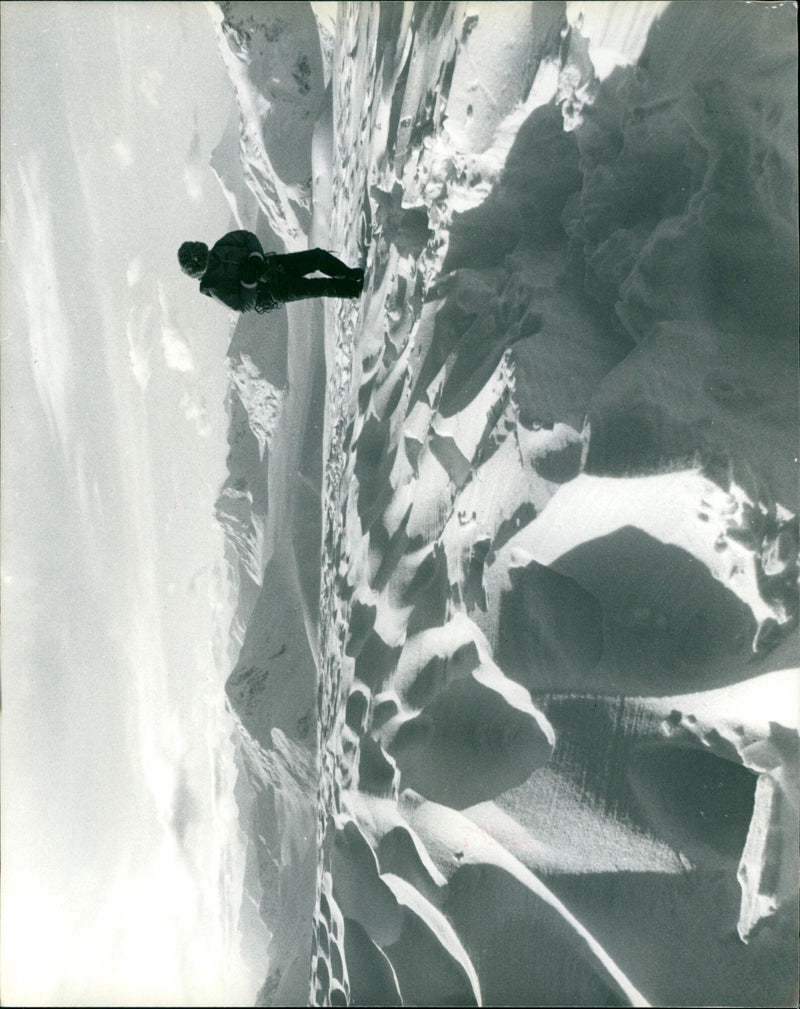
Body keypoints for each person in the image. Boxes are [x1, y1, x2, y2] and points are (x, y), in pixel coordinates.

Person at [178, 231, 364, 313]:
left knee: (317, 258)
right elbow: (242, 306)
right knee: (318, 286)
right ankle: (357, 289)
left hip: (274, 266)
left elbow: (247, 237)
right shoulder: (214, 287)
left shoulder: (221, 246)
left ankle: (351, 277)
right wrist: (250, 280)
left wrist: (256, 259)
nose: (211, 258)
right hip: (273, 289)